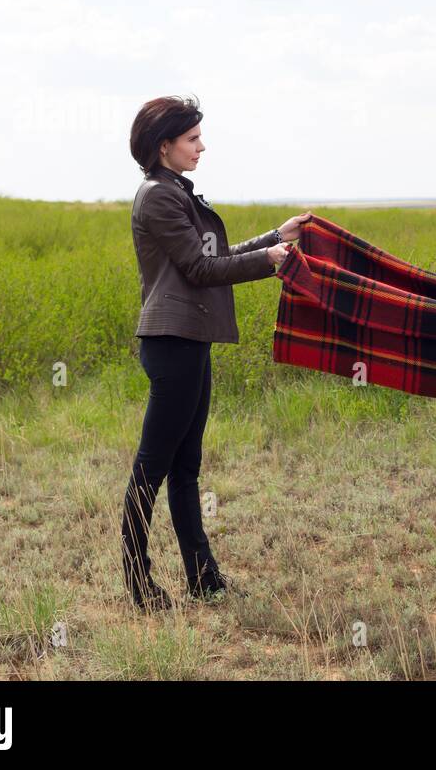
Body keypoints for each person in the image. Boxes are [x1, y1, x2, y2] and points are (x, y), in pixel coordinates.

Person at [123, 94, 311, 610]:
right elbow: (201, 271)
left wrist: (277, 237)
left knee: (186, 468)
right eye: (192, 139)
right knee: (152, 467)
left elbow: (216, 255)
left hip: (189, 343)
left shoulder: (175, 193)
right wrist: (270, 261)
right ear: (164, 147)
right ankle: (139, 583)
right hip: (172, 345)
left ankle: (203, 578)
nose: (201, 147)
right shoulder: (159, 198)